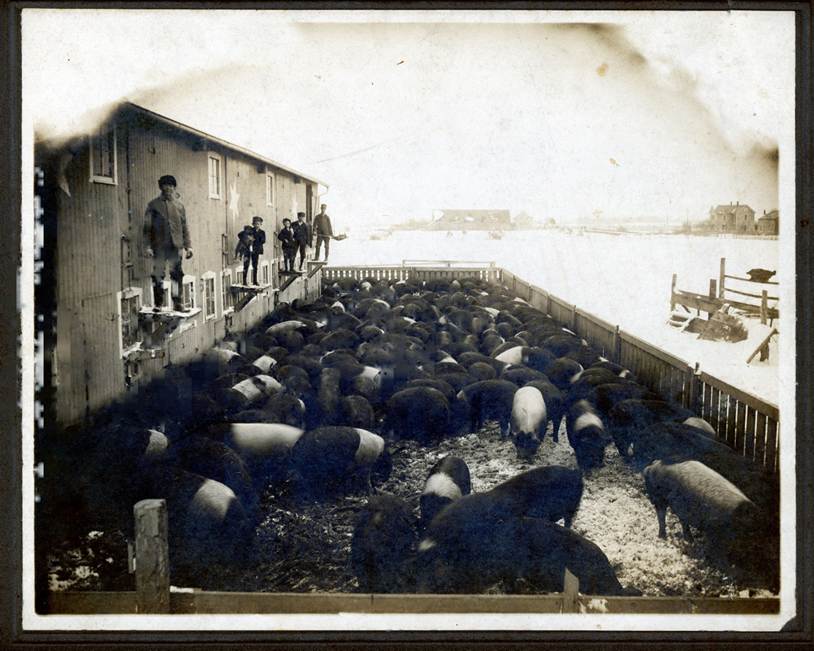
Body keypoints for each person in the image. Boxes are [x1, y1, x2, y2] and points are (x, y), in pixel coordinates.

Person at [144, 174, 193, 312]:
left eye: (171, 185)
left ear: (174, 187)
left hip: (175, 246)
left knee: (176, 275)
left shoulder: (179, 206)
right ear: (161, 187)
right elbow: (146, 228)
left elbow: (184, 227)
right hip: (158, 246)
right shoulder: (153, 205)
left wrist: (188, 246)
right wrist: (147, 246)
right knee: (158, 274)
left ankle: (178, 303)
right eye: (165, 185)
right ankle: (158, 304)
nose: (168, 188)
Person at [246, 215, 266, 285]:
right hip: (249, 249)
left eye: (258, 224)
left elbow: (263, 241)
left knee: (255, 265)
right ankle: (245, 281)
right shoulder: (250, 231)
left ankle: (254, 280)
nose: (257, 225)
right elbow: (244, 236)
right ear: (253, 224)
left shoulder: (262, 232)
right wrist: (249, 239)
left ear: (260, 224)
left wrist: (256, 239)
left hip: (256, 250)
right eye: (255, 224)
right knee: (246, 264)